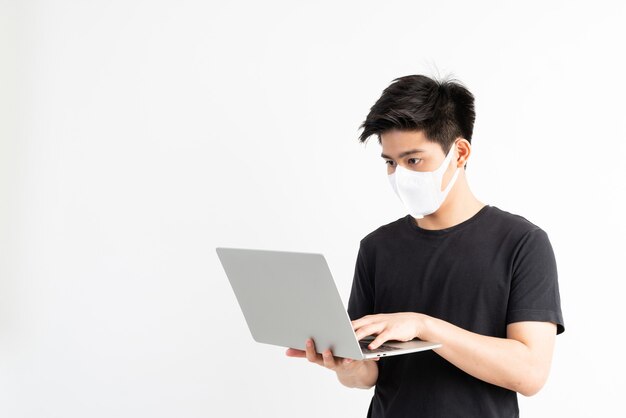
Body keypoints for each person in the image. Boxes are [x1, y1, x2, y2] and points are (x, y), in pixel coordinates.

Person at [286, 74, 564, 417]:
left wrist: (424, 326)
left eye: (413, 160)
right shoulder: (377, 247)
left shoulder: (521, 243)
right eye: (391, 162)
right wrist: (346, 365)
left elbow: (530, 373)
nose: (400, 174)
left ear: (459, 153)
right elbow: (368, 373)